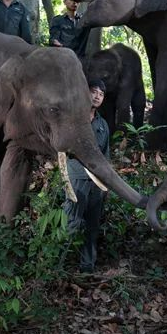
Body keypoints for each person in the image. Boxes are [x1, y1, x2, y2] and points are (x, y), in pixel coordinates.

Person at [64, 79, 112, 273]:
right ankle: (61, 266)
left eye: (101, 94)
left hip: (97, 183)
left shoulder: (103, 125)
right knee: (72, 221)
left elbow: (106, 155)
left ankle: (87, 267)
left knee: (93, 226)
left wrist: (107, 184)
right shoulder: (74, 119)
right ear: (86, 93)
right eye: (94, 91)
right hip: (76, 178)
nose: (97, 96)